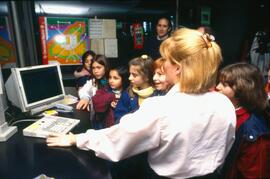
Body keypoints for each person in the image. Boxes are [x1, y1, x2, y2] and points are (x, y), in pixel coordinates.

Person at [46, 28, 236, 179]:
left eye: (167, 61)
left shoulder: (161, 108)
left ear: (178, 68)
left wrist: (77, 139)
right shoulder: (224, 104)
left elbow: (118, 140)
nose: (163, 66)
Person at [216, 62, 270, 179]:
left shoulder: (254, 131)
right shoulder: (228, 112)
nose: (218, 87)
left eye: (224, 85)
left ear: (242, 88)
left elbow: (255, 174)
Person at [114, 54, 155, 123]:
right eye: (130, 74)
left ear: (147, 76)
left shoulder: (158, 95)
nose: (130, 78)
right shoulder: (127, 94)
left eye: (134, 75)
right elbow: (118, 117)